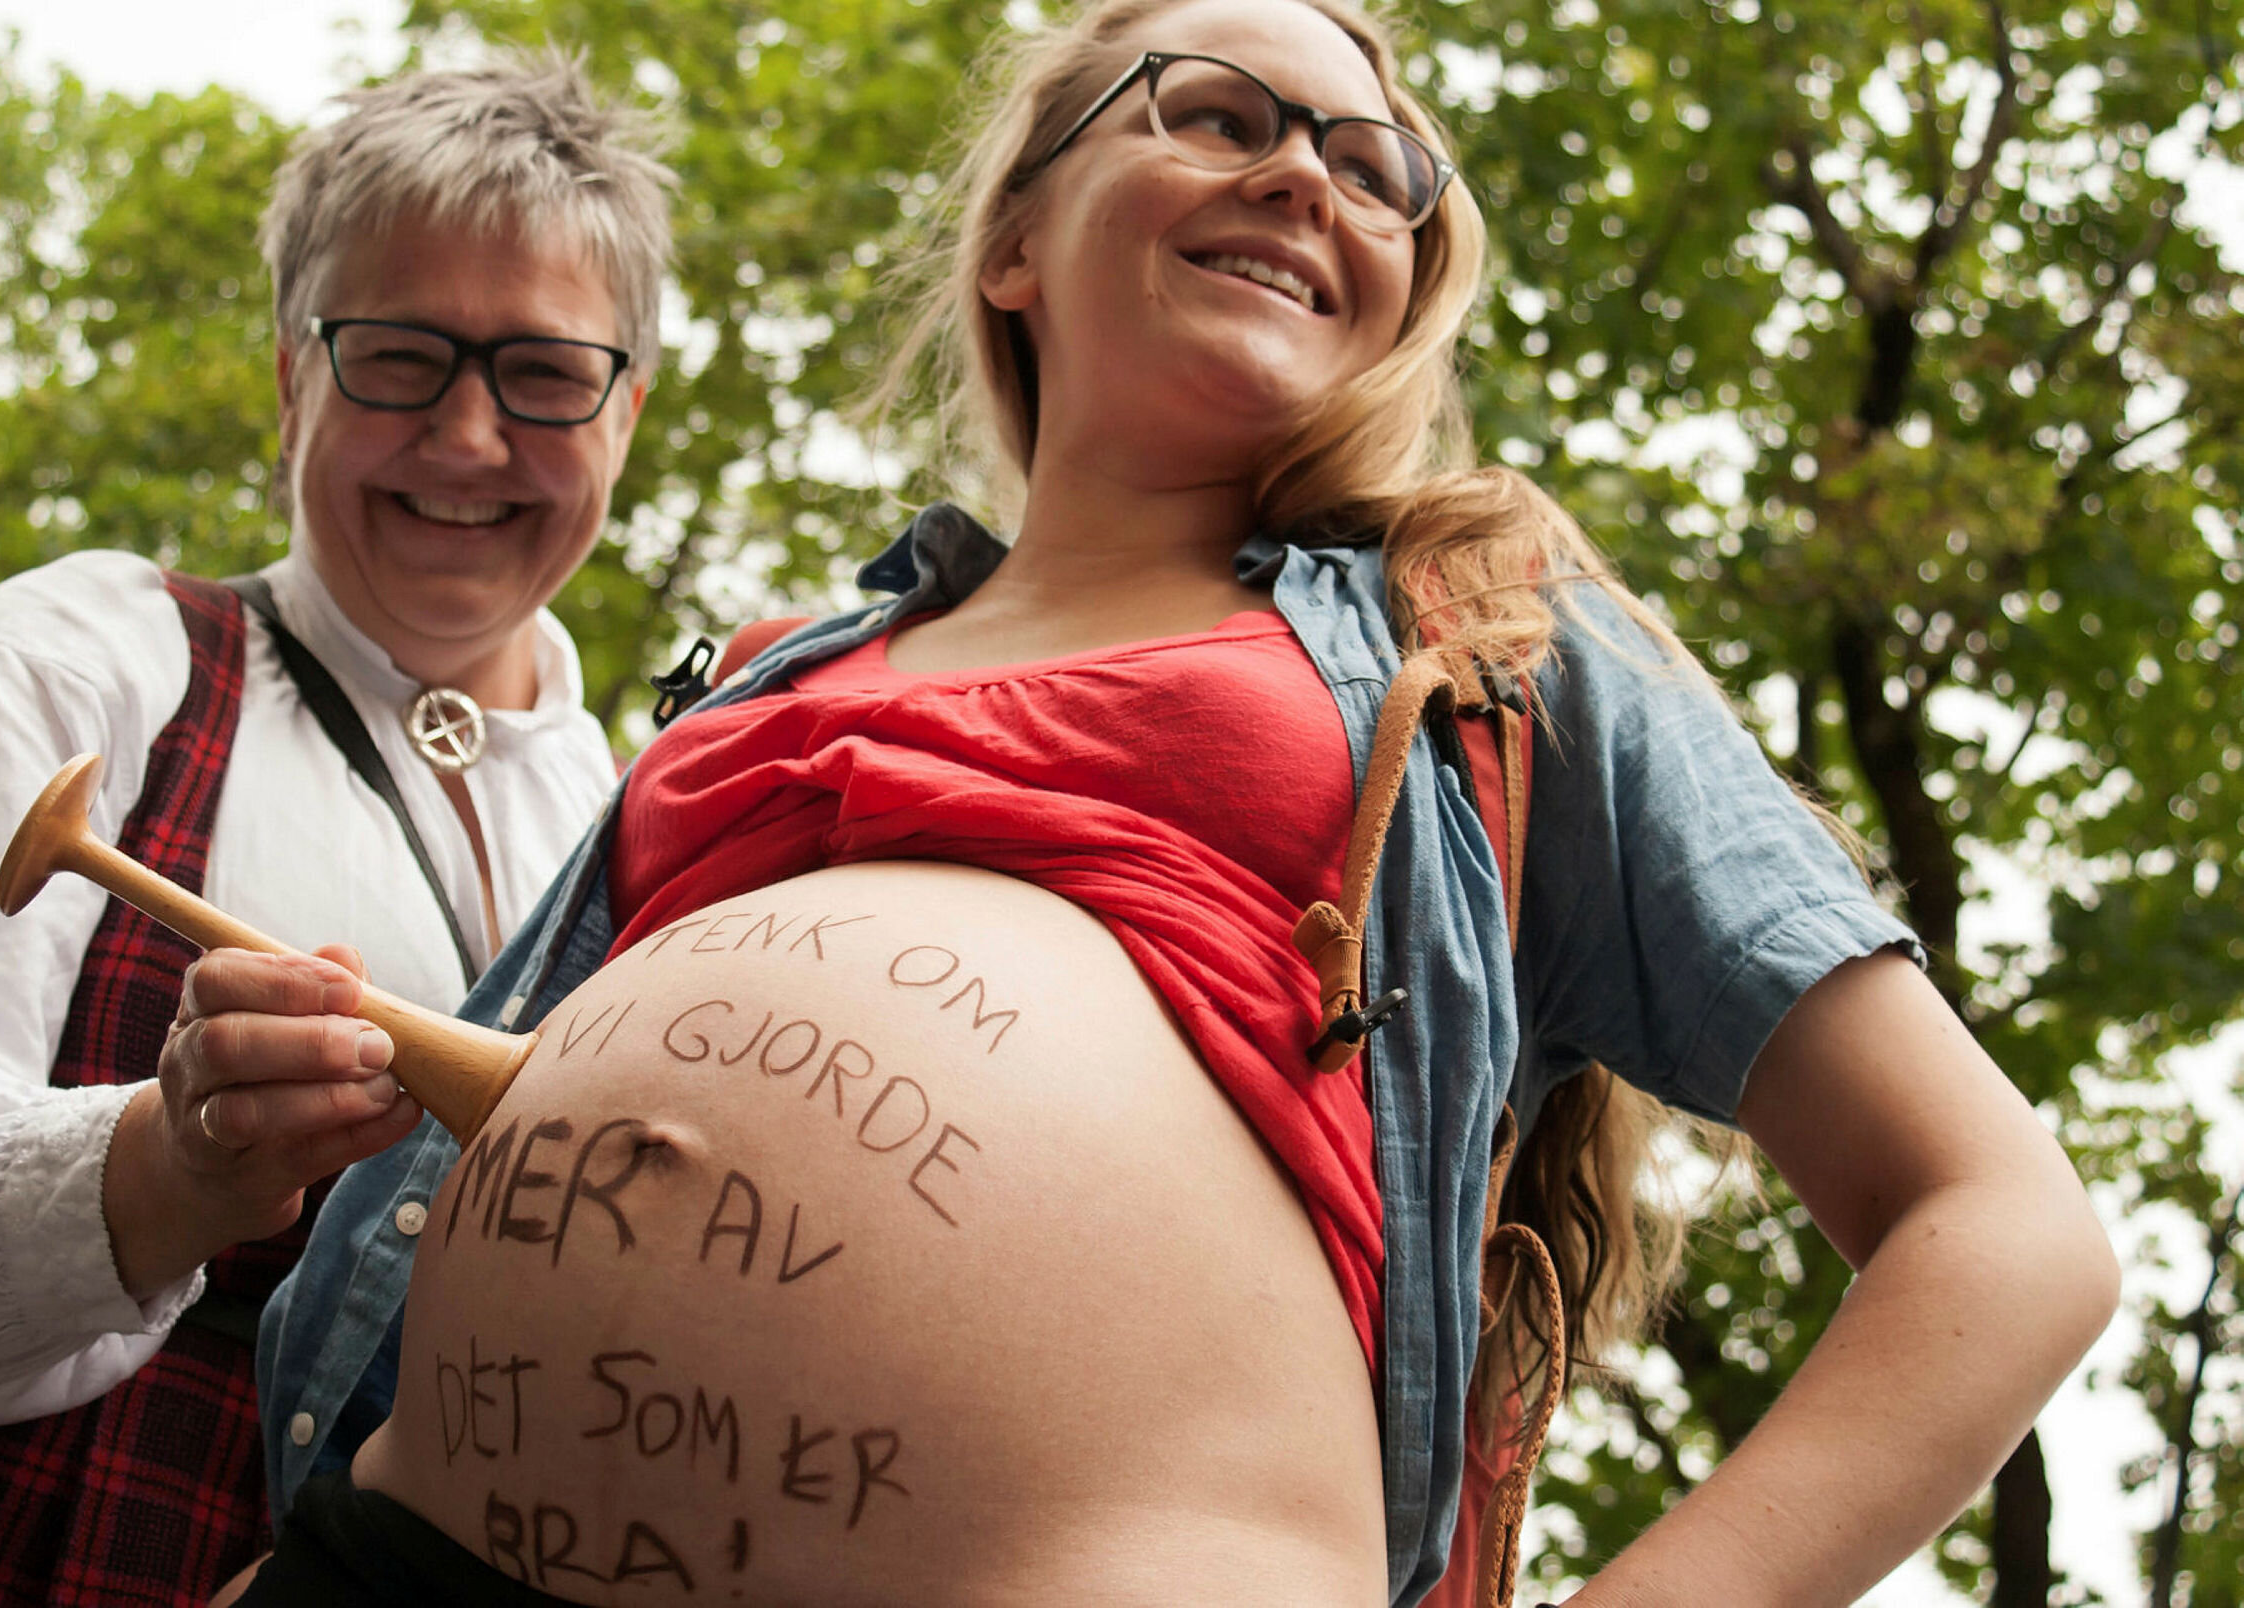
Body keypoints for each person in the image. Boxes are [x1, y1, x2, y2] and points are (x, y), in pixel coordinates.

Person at [221, 0, 2117, 1603]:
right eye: (1216, 116)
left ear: (1395, 300)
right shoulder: (762, 670)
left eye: (1375, 171)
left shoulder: (1478, 644)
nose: (1305, 173)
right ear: (1016, 241)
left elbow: (2003, 1224)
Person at [0, 52, 674, 1606]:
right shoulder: (77, 664)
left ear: (626, 411)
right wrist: (167, 1170)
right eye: (398, 357)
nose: (472, 437)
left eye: (546, 375)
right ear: (296, 377)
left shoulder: (637, 824)